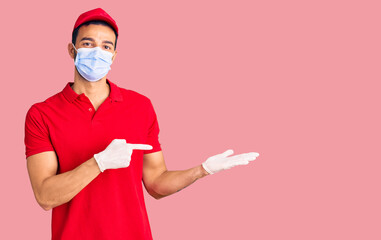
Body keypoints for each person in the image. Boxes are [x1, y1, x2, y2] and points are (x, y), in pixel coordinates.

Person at [24, 8, 259, 240]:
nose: (98, 52)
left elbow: (156, 183)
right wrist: (100, 162)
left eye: (106, 46)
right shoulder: (42, 114)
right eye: (88, 44)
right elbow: (45, 196)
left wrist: (201, 170)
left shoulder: (140, 106)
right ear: (71, 50)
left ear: (114, 56)